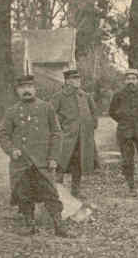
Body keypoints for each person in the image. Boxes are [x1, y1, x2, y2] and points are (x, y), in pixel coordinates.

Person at [0, 75, 71, 237]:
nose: (26, 90)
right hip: (22, 162)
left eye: (29, 87)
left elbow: (56, 134)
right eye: (22, 88)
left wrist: (53, 157)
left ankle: (59, 226)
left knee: (51, 194)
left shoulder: (47, 108)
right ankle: (29, 225)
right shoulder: (12, 111)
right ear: (17, 91)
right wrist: (11, 150)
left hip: (43, 161)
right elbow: (3, 135)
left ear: (34, 89)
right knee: (23, 194)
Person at [108, 68, 138, 196]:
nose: (131, 81)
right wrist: (124, 121)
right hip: (125, 132)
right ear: (125, 80)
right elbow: (112, 112)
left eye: (133, 78)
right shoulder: (118, 95)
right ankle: (131, 188)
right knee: (127, 161)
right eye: (128, 78)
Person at [51, 69, 97, 199]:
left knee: (78, 165)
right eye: (74, 78)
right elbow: (51, 115)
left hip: (82, 139)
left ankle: (76, 191)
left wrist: (91, 126)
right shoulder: (58, 97)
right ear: (67, 81)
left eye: (78, 78)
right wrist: (60, 129)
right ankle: (57, 193)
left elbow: (94, 113)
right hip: (66, 139)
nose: (77, 81)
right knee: (60, 164)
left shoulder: (85, 96)